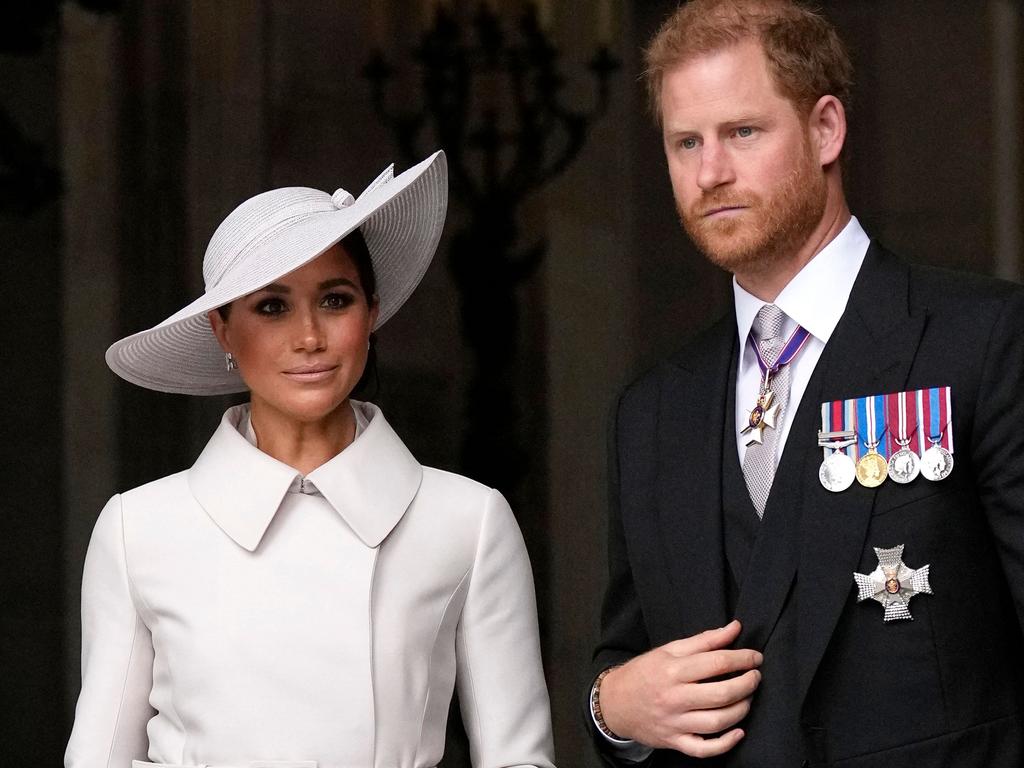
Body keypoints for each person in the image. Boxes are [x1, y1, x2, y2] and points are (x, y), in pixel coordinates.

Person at [586, 1, 1024, 766]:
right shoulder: (651, 412)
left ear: (826, 129)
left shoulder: (984, 340)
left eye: (742, 132)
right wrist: (611, 708)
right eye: (685, 142)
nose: (709, 171)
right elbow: (628, 659)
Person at [66, 151, 557, 768]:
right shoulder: (137, 529)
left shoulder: (469, 521)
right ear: (222, 328)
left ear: (372, 311)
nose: (309, 338)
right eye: (272, 306)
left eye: (335, 300)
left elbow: (520, 761)